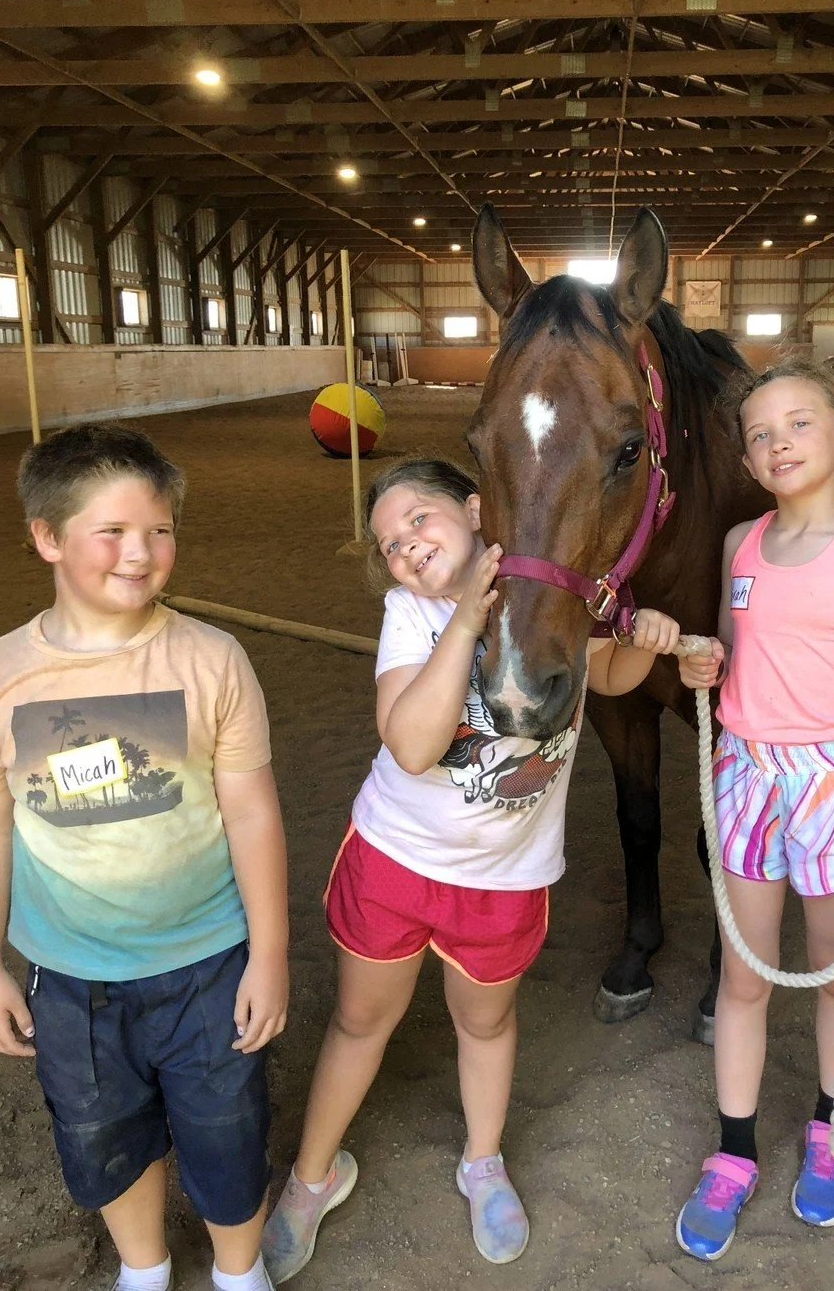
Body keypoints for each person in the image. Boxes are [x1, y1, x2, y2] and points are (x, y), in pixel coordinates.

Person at [262, 458, 680, 1283]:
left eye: (419, 519)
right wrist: (462, 624)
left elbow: (609, 675)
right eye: (389, 544)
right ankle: (314, 1176)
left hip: (505, 877)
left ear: (477, 509)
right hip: (397, 860)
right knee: (359, 1021)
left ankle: (482, 1162)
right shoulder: (411, 616)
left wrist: (643, 641)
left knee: (485, 1023)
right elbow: (413, 744)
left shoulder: (565, 594)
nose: (405, 547)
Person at [0, 424, 289, 1291]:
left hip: (205, 962)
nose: (141, 553)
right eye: (111, 532)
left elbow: (252, 811)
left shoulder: (211, 659)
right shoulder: (1, 677)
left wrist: (267, 953)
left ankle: (239, 1273)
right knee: (101, 1134)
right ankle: (144, 1267)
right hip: (69, 976)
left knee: (228, 1129)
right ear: (47, 536)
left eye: (159, 530)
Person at [675, 358, 834, 1261]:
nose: (779, 442)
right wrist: (706, 661)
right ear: (746, 459)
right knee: (743, 973)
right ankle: (734, 1151)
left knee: (832, 971)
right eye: (760, 433)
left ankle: (832, 1126)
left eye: (800, 424)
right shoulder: (741, 541)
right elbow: (736, 649)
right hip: (747, 774)